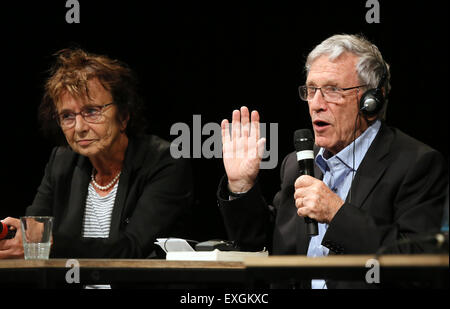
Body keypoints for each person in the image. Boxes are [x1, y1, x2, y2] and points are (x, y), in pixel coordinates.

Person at [217, 34, 448, 288]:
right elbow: (262, 247)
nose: (316, 104)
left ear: (372, 101)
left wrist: (337, 215)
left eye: (332, 90)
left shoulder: (417, 164)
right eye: (311, 90)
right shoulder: (297, 164)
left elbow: (419, 262)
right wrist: (241, 187)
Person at [0, 48, 193, 259]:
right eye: (67, 116)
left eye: (92, 111)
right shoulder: (61, 162)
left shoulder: (164, 161)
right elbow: (34, 232)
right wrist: (14, 238)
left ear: (123, 115)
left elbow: (134, 249)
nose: (79, 127)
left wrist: (48, 243)